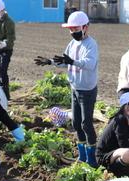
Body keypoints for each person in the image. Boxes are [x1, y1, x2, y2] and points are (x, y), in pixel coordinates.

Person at [34, 11, 99, 167]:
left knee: (87, 124)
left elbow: (89, 64)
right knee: (77, 123)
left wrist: (72, 61)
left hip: (87, 90)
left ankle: (92, 160)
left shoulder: (91, 44)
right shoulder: (72, 44)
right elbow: (66, 62)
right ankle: (82, 157)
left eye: (76, 29)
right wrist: (50, 61)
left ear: (86, 27)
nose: (73, 32)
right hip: (75, 88)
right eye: (71, 30)